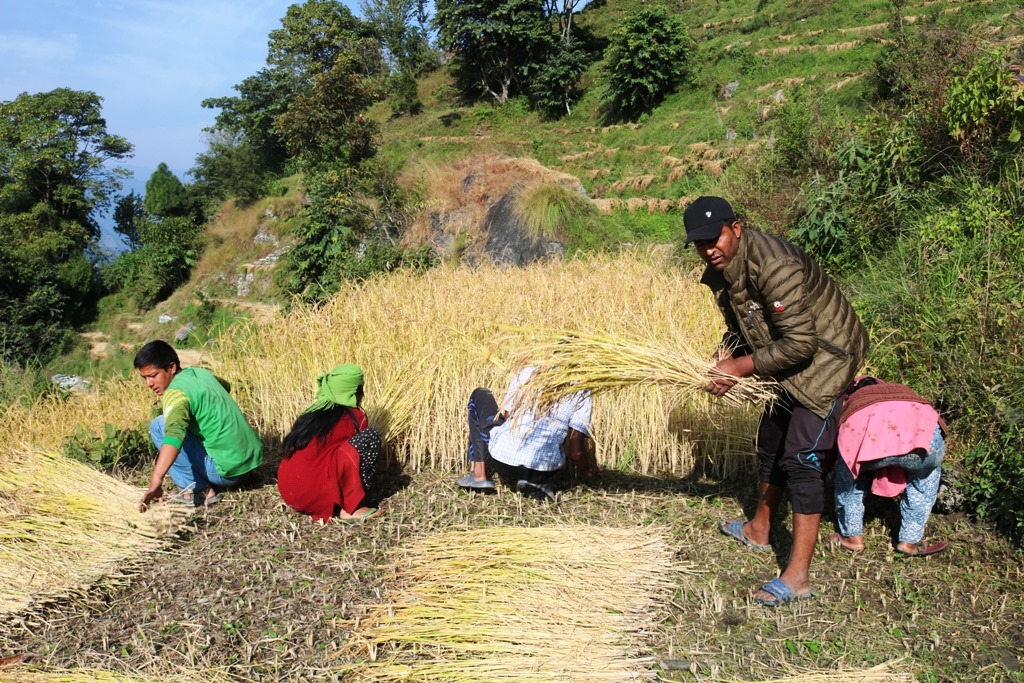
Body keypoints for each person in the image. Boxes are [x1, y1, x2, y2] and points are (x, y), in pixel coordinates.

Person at [685, 196, 869, 607]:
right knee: (771, 441)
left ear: (736, 227)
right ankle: (760, 529)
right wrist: (726, 358)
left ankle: (798, 576)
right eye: (698, 243)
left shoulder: (774, 265)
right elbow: (742, 325)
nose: (708, 249)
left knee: (802, 458)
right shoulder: (723, 271)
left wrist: (741, 367)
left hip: (826, 359)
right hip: (784, 356)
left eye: (713, 238)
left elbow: (802, 344)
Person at [135, 340, 263, 511]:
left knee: (159, 426)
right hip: (251, 462)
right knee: (182, 421)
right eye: (145, 378)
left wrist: (156, 479)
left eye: (153, 375)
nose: (149, 384)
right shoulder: (200, 373)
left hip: (227, 474)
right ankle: (245, 476)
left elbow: (174, 435)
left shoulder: (175, 393)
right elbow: (226, 386)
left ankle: (198, 491)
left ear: (171, 368)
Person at [832, 376, 948, 556]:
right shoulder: (904, 392)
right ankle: (909, 542)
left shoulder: (852, 403)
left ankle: (852, 537)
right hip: (925, 445)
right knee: (924, 480)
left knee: (850, 480)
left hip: (871, 444)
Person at [457, 365, 597, 502]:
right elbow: (576, 453)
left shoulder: (528, 371)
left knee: (480, 394)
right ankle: (536, 482)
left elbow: (508, 417)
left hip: (503, 461)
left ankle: (479, 475)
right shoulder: (582, 391)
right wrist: (588, 470)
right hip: (545, 471)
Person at [277, 364, 382, 522]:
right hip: (314, 494)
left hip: (289, 492)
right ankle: (350, 508)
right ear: (355, 393)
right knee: (370, 438)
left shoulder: (310, 414)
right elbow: (353, 458)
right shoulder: (356, 416)